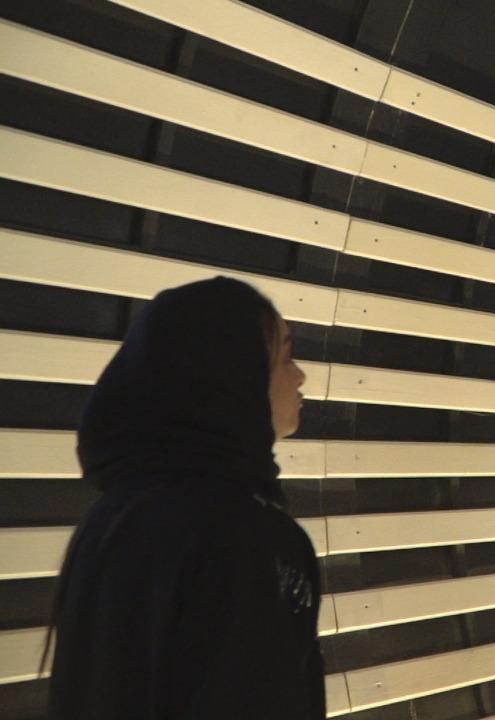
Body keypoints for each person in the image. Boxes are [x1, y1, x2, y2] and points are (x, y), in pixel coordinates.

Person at [46, 277, 323, 719]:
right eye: (284, 356)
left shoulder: (110, 521)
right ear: (233, 376)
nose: (300, 375)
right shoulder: (245, 535)